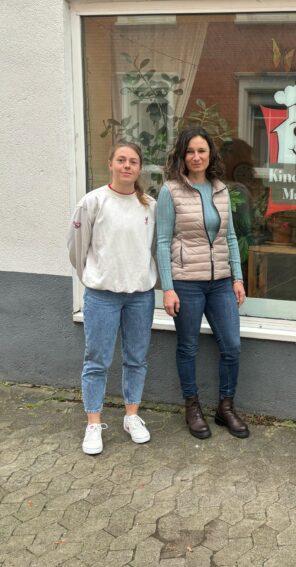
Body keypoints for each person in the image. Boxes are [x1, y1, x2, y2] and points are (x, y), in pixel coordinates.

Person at [156, 127, 248, 440]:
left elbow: (231, 237)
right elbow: (163, 241)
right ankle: (192, 405)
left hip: (221, 282)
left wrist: (237, 277)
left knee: (232, 347)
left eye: (202, 151)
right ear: (182, 155)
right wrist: (167, 287)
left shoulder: (221, 189)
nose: (196, 157)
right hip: (186, 283)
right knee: (188, 347)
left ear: (210, 156)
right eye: (191, 151)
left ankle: (225, 406)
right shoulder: (170, 191)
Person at [68, 142, 157, 455]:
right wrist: (95, 276)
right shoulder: (93, 202)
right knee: (97, 360)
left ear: (139, 168)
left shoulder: (150, 206)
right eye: (121, 160)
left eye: (133, 161)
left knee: (136, 358)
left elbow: (154, 250)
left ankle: (131, 416)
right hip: (102, 296)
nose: (127, 166)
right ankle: (94, 423)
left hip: (140, 297)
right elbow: (77, 249)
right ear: (110, 164)